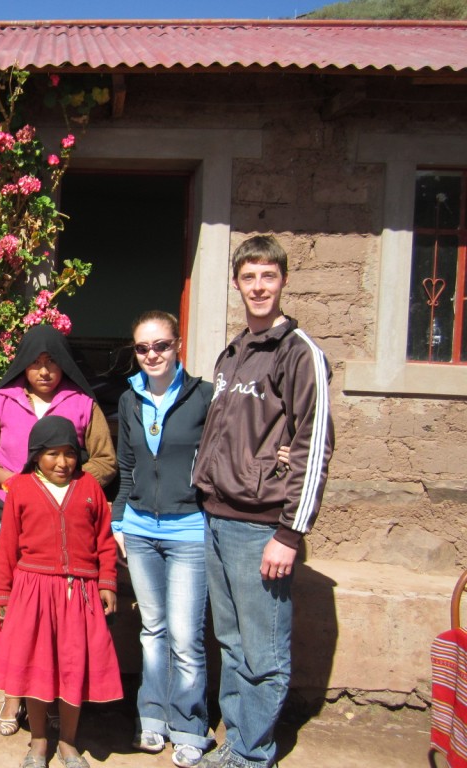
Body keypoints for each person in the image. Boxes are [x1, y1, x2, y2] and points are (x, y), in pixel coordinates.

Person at [192, 235, 334, 768]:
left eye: (268, 276)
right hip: (218, 519)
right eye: (249, 277)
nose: (258, 286)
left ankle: (252, 755)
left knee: (264, 650)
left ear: (283, 281)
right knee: (231, 641)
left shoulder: (300, 354)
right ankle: (239, 742)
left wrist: (289, 533)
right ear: (236, 283)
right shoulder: (233, 352)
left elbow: (312, 444)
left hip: (261, 528)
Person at [0, 323, 116, 736]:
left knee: (57, 627)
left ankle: (51, 697)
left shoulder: (83, 403)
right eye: (36, 363)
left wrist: (69, 487)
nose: (45, 371)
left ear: (64, 365)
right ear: (23, 367)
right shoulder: (2, 401)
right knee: (12, 611)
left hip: (66, 527)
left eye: (52, 363)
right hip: (9, 517)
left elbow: (104, 459)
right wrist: (9, 480)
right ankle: (13, 695)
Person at [0, 415, 122, 768]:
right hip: (33, 591)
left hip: (81, 592)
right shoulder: (23, 489)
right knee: (35, 666)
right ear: (35, 456)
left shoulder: (90, 486)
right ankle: (38, 742)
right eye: (52, 454)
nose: (63, 462)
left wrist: (106, 582)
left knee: (74, 667)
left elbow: (104, 542)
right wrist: (2, 594)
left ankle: (69, 743)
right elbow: (8, 547)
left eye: (70, 454)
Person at [110, 310, 215, 768]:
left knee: (186, 636)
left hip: (189, 529)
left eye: (161, 345)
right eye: (142, 347)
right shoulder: (130, 399)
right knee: (152, 631)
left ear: (177, 346)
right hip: (139, 530)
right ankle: (151, 717)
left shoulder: (204, 397)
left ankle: (190, 725)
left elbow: (225, 456)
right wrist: (118, 522)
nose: (152, 354)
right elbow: (126, 467)